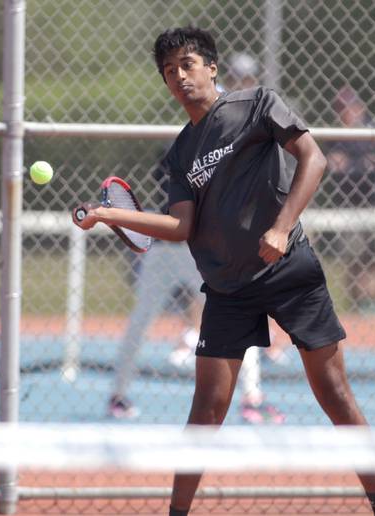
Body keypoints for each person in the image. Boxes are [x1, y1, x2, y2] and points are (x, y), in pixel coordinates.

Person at [73, 27, 375, 516]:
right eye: (169, 71)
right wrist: (110, 216)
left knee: (334, 394)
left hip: (290, 271)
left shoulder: (259, 104)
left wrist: (283, 228)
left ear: (211, 67)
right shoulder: (180, 153)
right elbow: (181, 226)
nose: (179, 76)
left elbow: (314, 158)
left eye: (187, 64)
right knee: (205, 411)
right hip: (226, 289)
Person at [107, 168, 284, 424]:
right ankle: (118, 395)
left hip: (188, 250)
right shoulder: (186, 152)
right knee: (143, 321)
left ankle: (251, 398)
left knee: (236, 320)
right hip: (174, 250)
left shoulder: (209, 149)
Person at [316, 85, 375, 314]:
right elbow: (334, 166)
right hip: (350, 202)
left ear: (360, 108)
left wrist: (351, 165)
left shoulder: (372, 131)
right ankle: (357, 310)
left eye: (349, 107)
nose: (345, 113)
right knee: (354, 258)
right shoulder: (335, 136)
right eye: (340, 108)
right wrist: (359, 165)